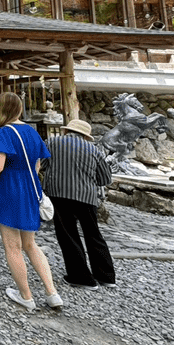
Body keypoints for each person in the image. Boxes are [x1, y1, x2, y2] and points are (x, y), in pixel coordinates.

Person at [0, 92, 62, 311]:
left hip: (9, 189)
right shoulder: (32, 132)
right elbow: (37, 166)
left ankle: (26, 295)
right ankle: (52, 292)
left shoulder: (3, 132)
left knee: (12, 246)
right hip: (29, 188)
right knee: (30, 244)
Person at [43, 119, 116, 289]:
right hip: (87, 197)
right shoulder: (94, 150)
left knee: (68, 235)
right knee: (93, 235)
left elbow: (43, 165)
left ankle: (81, 277)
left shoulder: (52, 143)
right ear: (85, 135)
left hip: (59, 194)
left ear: (67, 131)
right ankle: (106, 277)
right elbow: (105, 179)